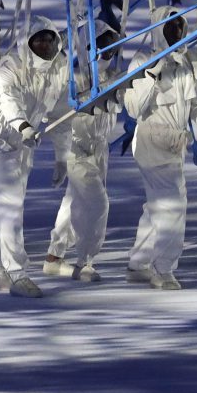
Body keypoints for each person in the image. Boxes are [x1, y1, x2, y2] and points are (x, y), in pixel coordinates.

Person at [122, 8, 197, 289]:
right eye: (170, 27)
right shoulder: (143, 60)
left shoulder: (186, 62)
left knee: (159, 205)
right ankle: (162, 267)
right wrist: (150, 76)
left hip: (174, 147)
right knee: (172, 206)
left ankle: (139, 262)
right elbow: (134, 108)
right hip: (151, 144)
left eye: (179, 26)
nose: (176, 32)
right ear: (159, 28)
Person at [0, 17, 71, 298]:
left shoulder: (60, 67)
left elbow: (61, 113)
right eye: (38, 40)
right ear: (26, 42)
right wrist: (23, 125)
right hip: (0, 137)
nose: (45, 45)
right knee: (10, 205)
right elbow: (9, 99)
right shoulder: (10, 65)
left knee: (3, 207)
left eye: (49, 40)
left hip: (24, 143)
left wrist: (62, 156)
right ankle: (17, 273)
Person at [43, 20, 123, 282]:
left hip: (100, 148)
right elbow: (56, 118)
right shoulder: (73, 79)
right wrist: (60, 156)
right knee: (97, 204)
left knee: (73, 201)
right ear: (89, 47)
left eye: (113, 48)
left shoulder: (112, 76)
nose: (108, 55)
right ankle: (84, 261)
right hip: (77, 149)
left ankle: (54, 256)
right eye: (104, 47)